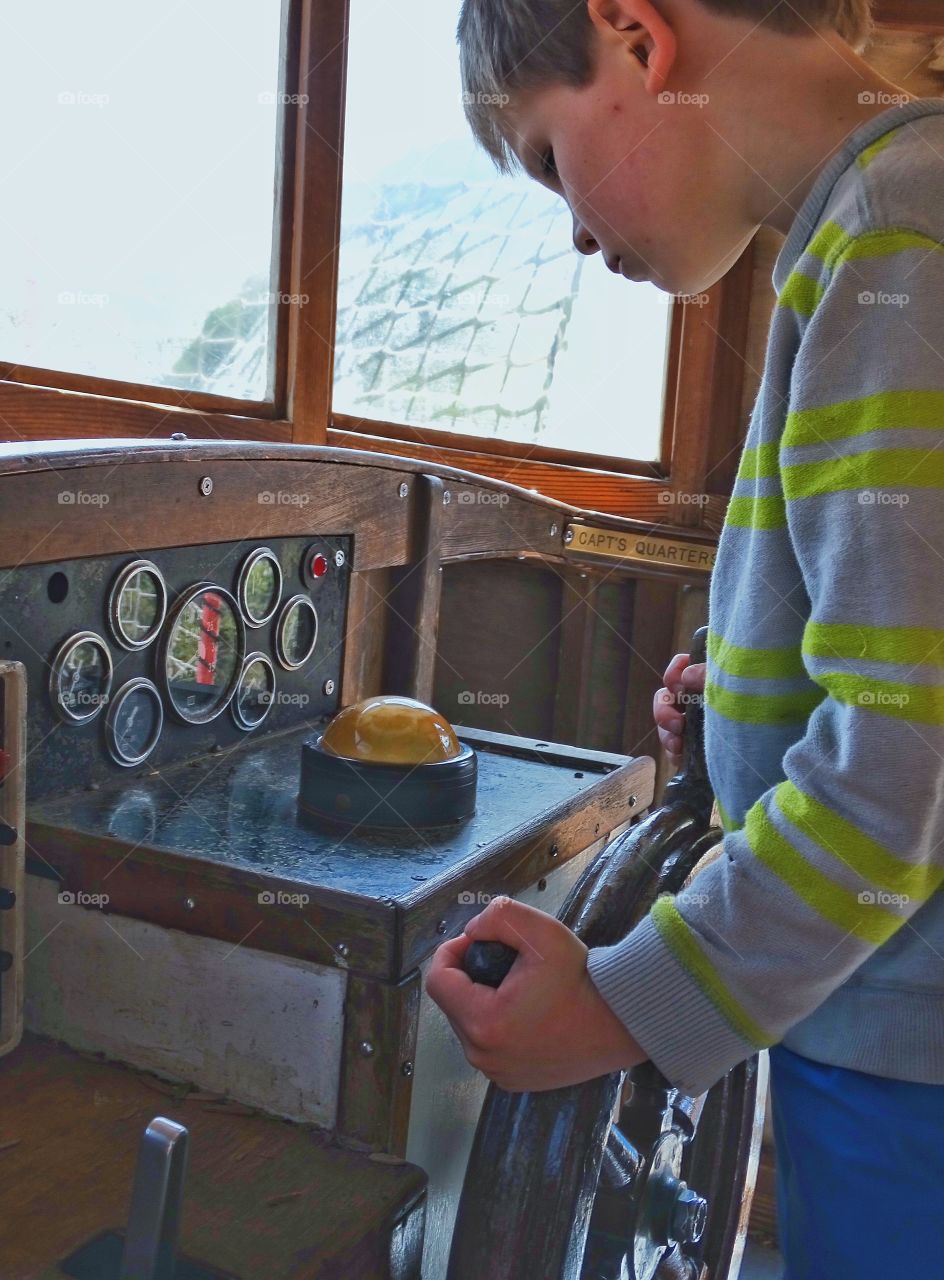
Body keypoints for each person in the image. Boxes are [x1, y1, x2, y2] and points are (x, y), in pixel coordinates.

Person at [426, 2, 944, 1275]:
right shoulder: (870, 222)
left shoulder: (897, 239)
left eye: (551, 160)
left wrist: (619, 1003)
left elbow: (907, 758)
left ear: (636, 35)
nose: (580, 232)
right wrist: (752, 708)